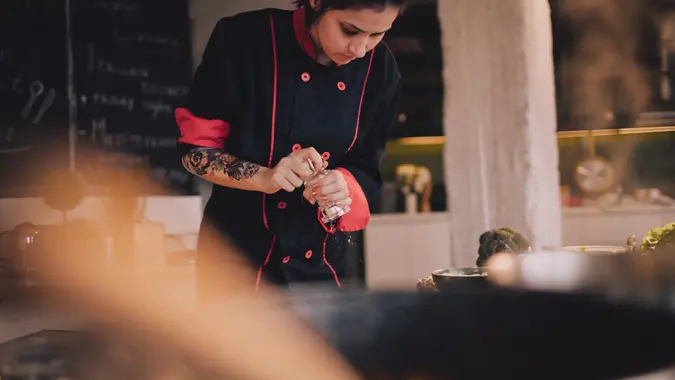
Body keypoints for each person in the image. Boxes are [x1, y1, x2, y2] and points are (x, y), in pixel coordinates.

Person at [175, 0, 406, 294]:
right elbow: (196, 152)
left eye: (377, 35)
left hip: (322, 266)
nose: (360, 50)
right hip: (232, 262)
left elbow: (367, 166)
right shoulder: (243, 39)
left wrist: (342, 185)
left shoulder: (381, 70)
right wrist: (265, 177)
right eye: (350, 30)